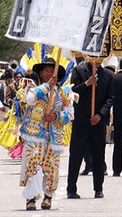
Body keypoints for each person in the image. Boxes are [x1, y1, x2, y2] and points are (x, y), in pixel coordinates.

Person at [19, 58, 71, 210]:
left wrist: (56, 117)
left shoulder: (63, 93)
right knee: (32, 164)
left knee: (51, 166)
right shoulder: (33, 89)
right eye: (46, 71)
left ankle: (48, 196)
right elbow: (28, 100)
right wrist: (47, 87)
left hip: (54, 135)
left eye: (52, 71)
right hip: (34, 134)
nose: (49, 74)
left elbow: (70, 115)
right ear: (41, 73)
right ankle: (30, 198)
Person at [66, 57, 113, 200]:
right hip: (81, 121)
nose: (97, 61)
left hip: (97, 122)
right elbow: (72, 92)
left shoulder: (108, 75)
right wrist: (86, 84)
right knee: (76, 155)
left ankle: (98, 188)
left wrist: (100, 115)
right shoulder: (78, 70)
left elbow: (110, 98)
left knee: (98, 156)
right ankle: (71, 188)